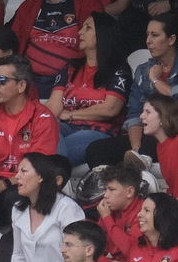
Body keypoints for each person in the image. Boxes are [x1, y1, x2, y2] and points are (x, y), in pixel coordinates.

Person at [86, 14, 178, 167]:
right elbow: (135, 112)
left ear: (171, 39)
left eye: (155, 35)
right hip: (147, 135)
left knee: (151, 146)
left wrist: (156, 81)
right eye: (147, 35)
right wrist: (136, 150)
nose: (148, 41)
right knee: (95, 150)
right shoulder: (143, 70)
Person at [46, 12, 132, 166]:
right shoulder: (71, 67)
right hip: (66, 128)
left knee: (48, 153)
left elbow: (110, 109)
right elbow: (53, 108)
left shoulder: (118, 69)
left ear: (102, 35)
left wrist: (72, 114)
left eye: (88, 28)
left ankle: (50, 173)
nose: (80, 32)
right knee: (46, 129)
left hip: (99, 132)